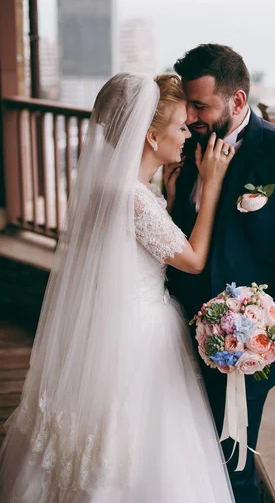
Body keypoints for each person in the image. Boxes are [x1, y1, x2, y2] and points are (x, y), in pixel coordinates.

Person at [0, 73, 236, 503]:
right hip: (139, 333)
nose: (188, 135)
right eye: (181, 127)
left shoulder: (111, 187)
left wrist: (165, 195)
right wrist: (214, 184)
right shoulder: (135, 199)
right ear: (150, 137)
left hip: (104, 324)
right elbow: (193, 259)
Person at [166, 44, 275, 503]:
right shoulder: (187, 144)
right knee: (193, 450)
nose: (191, 115)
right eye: (188, 104)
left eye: (201, 105)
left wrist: (267, 326)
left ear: (237, 101)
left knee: (232, 464)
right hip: (179, 332)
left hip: (244, 343)